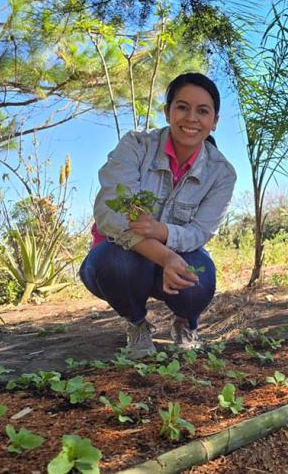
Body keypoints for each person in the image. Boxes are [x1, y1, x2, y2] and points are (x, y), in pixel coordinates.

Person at [79, 72, 236, 358]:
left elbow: (201, 232)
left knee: (200, 277)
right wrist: (165, 256)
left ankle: (185, 323)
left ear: (214, 122)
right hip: (123, 257)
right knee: (115, 264)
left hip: (179, 258)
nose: (191, 118)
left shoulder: (222, 173)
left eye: (203, 111)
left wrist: (162, 232)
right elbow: (110, 215)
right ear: (167, 112)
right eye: (182, 107)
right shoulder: (135, 146)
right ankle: (137, 324)